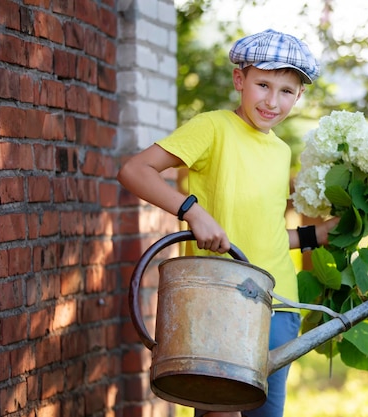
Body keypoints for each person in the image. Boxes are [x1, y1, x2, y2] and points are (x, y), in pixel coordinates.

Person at [118, 29, 338, 417]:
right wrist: (192, 210)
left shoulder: (281, 151)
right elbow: (135, 170)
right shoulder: (213, 128)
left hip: (279, 305)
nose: (273, 101)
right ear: (240, 80)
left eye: (286, 91)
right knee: (217, 409)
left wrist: (316, 235)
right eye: (263, 84)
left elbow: (261, 233)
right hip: (218, 301)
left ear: (299, 96)